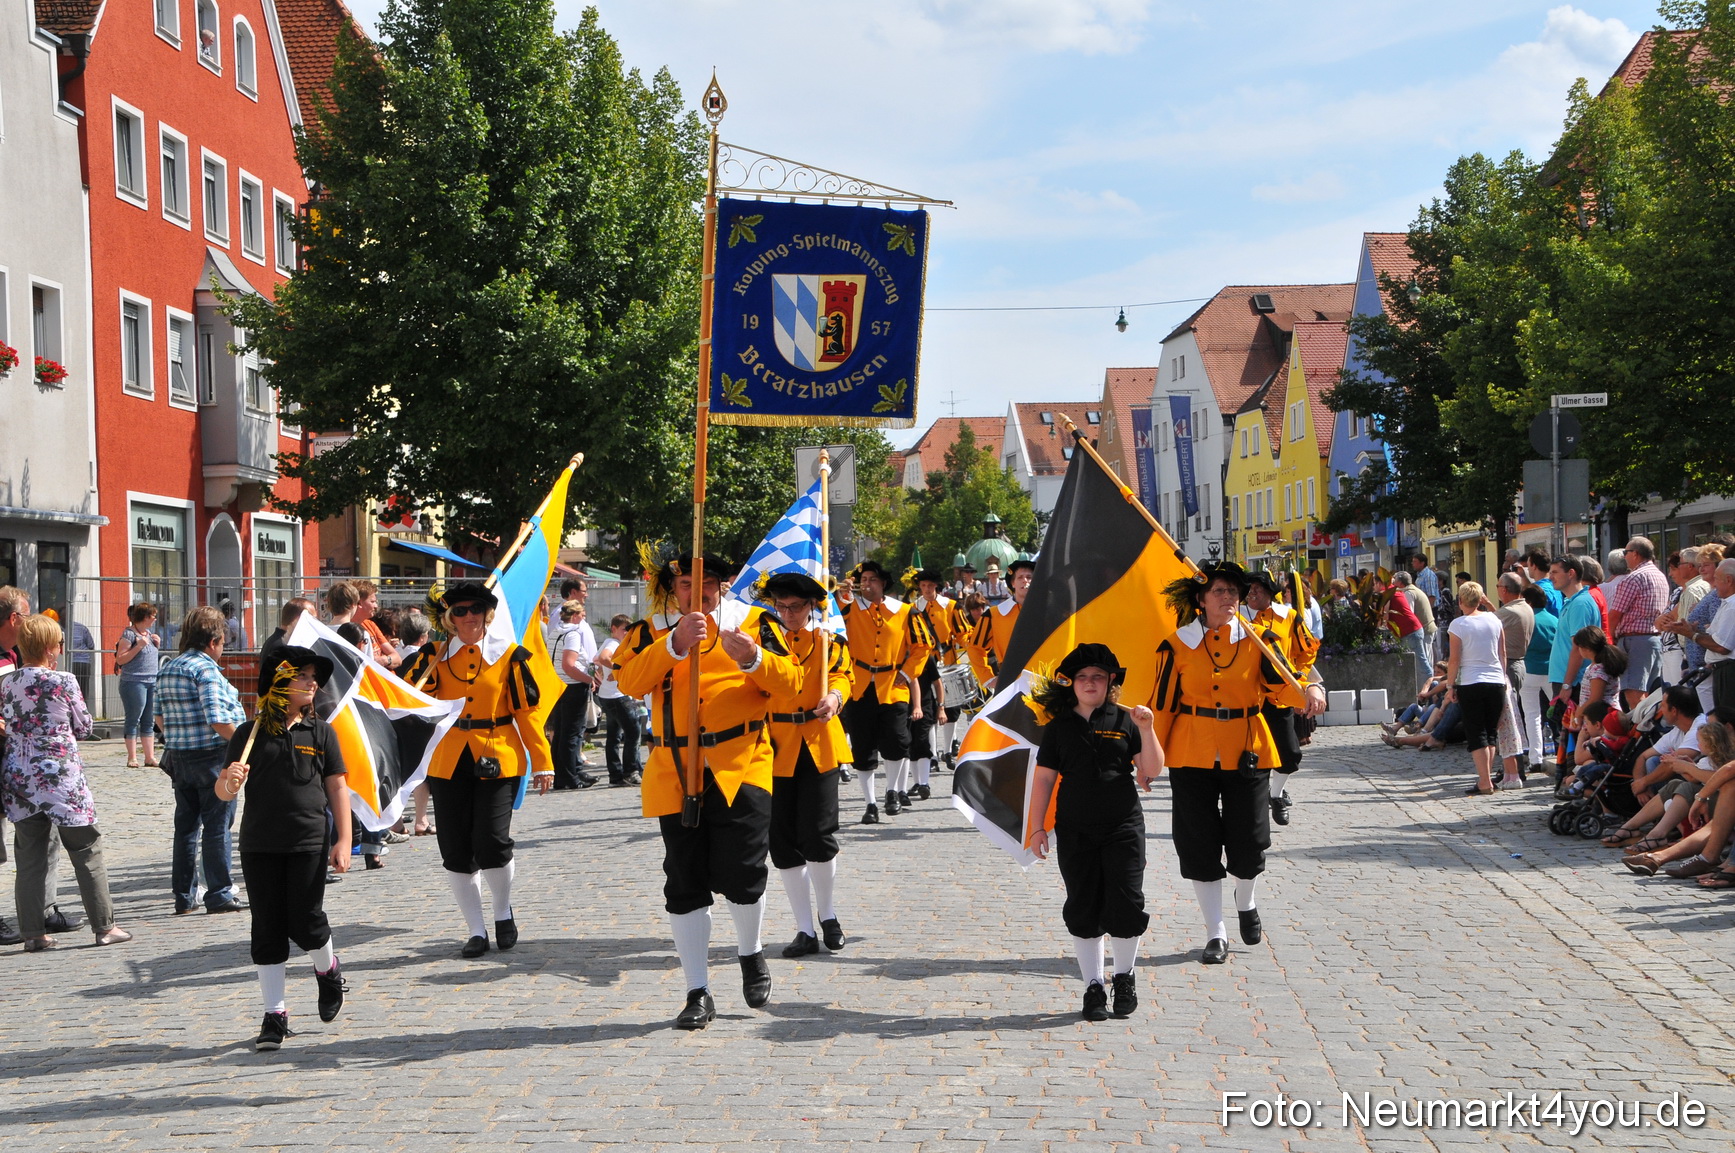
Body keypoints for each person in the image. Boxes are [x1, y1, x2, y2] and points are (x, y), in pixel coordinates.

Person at [611, 555, 802, 1030]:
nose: (698, 592)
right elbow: (628, 682)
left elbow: (793, 684)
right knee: (683, 880)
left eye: (708, 583)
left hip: (741, 762)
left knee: (742, 871)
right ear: (671, 589)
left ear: (723, 585)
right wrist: (673, 646)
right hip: (676, 768)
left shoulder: (755, 623)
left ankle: (750, 952)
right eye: (685, 584)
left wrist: (753, 659)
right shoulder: (649, 631)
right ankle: (697, 989)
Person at [1150, 562, 1325, 964]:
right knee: (1198, 843)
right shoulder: (1175, 645)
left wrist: (1310, 688)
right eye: (1219, 591)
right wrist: (1149, 758)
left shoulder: (1259, 640)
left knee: (1249, 842)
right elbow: (1162, 706)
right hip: (1190, 751)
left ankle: (1245, 901)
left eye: (1234, 592)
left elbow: (1285, 683)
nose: (1228, 598)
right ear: (1201, 600)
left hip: (1247, 748)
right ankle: (1216, 931)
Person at [400, 583, 554, 957]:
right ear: (449, 618)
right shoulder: (433, 656)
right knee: (455, 849)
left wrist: (543, 761)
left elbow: (528, 715)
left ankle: (503, 911)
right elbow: (405, 701)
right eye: (459, 610)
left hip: (498, 755)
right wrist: (416, 681)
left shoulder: (510, 656)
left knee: (491, 841)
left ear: (487, 615)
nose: (468, 616)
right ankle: (476, 930)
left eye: (475, 610)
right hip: (447, 760)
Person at [214, 647, 350, 1051]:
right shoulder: (247, 734)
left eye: (314, 676)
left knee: (306, 921)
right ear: (278, 682)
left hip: (308, 839)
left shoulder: (321, 732)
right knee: (267, 927)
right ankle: (275, 1014)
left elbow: (337, 786)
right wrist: (230, 780)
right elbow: (223, 793)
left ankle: (328, 971)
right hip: (260, 844)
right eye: (303, 676)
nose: (313, 682)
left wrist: (344, 838)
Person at [1027, 644, 1163, 1021]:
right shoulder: (1057, 727)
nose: (1090, 684)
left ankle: (1124, 977)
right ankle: (1093, 986)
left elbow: (1151, 769)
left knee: (1126, 902)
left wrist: (1147, 729)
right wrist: (1038, 826)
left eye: (1098, 677)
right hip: (1074, 829)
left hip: (1123, 826)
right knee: (1084, 904)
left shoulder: (1126, 720)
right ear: (1071, 684)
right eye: (1083, 677)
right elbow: (1043, 780)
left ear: (1110, 683)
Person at [1, 614, 132, 951]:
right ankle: (104, 926)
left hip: (19, 778)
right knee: (87, 849)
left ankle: (33, 934)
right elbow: (85, 726)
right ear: (50, 648)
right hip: (59, 778)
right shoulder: (63, 681)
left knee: (29, 858)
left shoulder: (7, 682)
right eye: (59, 642)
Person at [758, 573, 852, 959]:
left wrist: (833, 697)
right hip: (773, 747)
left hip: (818, 743)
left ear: (811, 606)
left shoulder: (829, 641)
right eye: (781, 606)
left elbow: (845, 677)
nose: (789, 614)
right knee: (781, 841)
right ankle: (803, 928)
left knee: (819, 834)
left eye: (796, 606)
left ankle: (827, 915)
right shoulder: (763, 643)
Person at [157, 605, 248, 914]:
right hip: (211, 756)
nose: (223, 650)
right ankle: (220, 892)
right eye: (223, 643)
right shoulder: (205, 669)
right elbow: (217, 718)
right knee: (217, 825)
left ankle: (184, 895)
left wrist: (180, 734)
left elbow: (158, 715)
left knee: (186, 827)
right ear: (214, 641)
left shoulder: (169, 666)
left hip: (179, 756)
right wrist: (245, 742)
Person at [837, 560, 932, 822]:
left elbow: (925, 644)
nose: (866, 584)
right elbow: (828, 624)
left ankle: (892, 791)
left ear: (883, 584)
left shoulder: (904, 611)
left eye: (872, 579)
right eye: (863, 580)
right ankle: (870, 803)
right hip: (859, 684)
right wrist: (840, 597)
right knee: (862, 743)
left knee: (896, 739)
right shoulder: (847, 609)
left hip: (893, 684)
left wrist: (906, 671)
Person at [1240, 571, 1320, 826]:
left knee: (1289, 752)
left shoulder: (1289, 617)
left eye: (1258, 590)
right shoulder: (1239, 618)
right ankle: (1254, 805)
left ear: (1269, 592)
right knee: (1252, 756)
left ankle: (1275, 795)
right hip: (1249, 697)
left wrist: (1300, 682)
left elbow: (1307, 651)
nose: (1252, 594)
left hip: (1280, 695)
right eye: (1249, 590)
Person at [1448, 582, 1513, 794]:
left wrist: (1450, 685)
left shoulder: (1458, 625)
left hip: (1471, 681)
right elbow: (1502, 652)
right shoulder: (1494, 619)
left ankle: (1484, 780)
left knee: (1476, 733)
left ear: (1460, 601)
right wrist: (1503, 677)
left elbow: (1454, 659)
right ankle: (1486, 779)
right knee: (1490, 731)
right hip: (1495, 680)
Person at [908, 568, 967, 795]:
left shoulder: (951, 607)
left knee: (950, 709)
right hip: (924, 662)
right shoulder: (914, 608)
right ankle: (931, 754)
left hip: (947, 660)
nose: (926, 590)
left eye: (930, 586)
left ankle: (948, 749)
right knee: (927, 709)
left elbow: (963, 633)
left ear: (937, 587)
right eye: (923, 586)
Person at [1608, 537, 1668, 708]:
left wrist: (1609, 640)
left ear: (1635, 554)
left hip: (1635, 640)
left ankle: (1642, 732)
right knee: (1652, 693)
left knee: (1634, 693)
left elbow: (1615, 614)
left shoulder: (1633, 578)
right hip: (1655, 639)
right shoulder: (1659, 575)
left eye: (1626, 553)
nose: (1624, 557)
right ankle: (1651, 731)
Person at [549, 599, 600, 790]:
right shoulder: (572, 634)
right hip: (573, 685)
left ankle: (562, 776)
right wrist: (589, 679)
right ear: (576, 615)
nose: (583, 618)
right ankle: (571, 778)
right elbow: (569, 665)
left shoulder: (556, 630)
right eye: (582, 615)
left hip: (559, 685)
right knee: (571, 734)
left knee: (561, 733)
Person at [966, 557, 1033, 696]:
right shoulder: (994, 614)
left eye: (1029, 577)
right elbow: (975, 648)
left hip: (1043, 679)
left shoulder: (1048, 610)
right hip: (1010, 682)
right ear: (1013, 583)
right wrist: (988, 678)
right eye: (1020, 577)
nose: (1025, 581)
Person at [593, 614, 642, 787]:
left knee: (614, 736)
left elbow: (596, 660)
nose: (626, 633)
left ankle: (616, 774)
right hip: (616, 696)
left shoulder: (611, 643)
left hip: (609, 695)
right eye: (623, 630)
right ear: (614, 629)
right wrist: (619, 670)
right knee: (633, 732)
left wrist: (603, 672)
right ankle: (630, 771)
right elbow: (604, 658)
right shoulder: (613, 643)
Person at [1547, 556, 1602, 703]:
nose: (1551, 577)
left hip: (1573, 682)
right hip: (1568, 679)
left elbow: (1579, 647)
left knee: (1568, 725)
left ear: (1571, 573)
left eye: (1555, 572)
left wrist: (1567, 684)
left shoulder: (1579, 604)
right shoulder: (1573, 601)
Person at [115, 602, 163, 769]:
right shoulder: (129, 635)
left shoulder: (149, 634)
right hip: (134, 682)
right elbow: (120, 659)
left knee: (148, 720)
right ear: (144, 617)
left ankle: (149, 757)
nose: (154, 618)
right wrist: (138, 646)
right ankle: (132, 757)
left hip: (151, 681)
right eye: (152, 615)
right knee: (133, 718)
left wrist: (156, 644)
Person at [1519, 584, 1557, 773]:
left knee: (1532, 716)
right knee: (1560, 713)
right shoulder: (1554, 620)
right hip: (1552, 672)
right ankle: (1562, 751)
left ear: (1528, 602)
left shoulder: (1527, 621)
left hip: (1529, 670)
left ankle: (1535, 758)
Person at [258, 598, 316, 698]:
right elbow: (281, 680)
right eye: (312, 619)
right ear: (299, 619)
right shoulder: (283, 646)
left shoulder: (274, 641)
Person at [353, 581, 400, 671]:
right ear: (359, 603)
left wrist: (383, 660)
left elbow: (397, 658)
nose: (376, 606)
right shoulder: (346, 630)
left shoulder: (370, 625)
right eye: (373, 601)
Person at [1523, 551, 1562, 615]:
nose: (1527, 569)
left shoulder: (1538, 590)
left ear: (1534, 566)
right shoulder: (1556, 586)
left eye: (1528, 565)